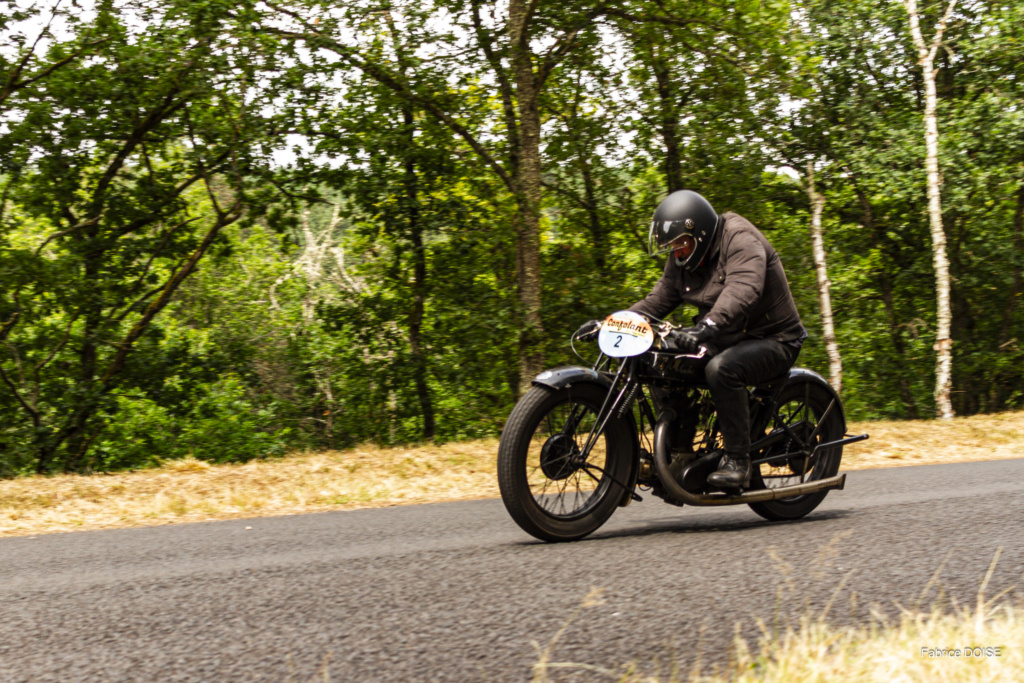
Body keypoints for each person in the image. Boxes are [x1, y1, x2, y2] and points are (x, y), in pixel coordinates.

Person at [575, 190, 807, 489]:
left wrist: (706, 327)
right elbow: (658, 299)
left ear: (700, 233)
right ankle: (678, 451)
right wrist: (611, 324)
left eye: (680, 245)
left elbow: (743, 291)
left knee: (722, 370)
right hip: (727, 335)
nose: (677, 253)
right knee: (662, 360)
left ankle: (738, 461)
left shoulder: (740, 239)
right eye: (671, 248)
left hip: (775, 338)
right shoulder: (683, 257)